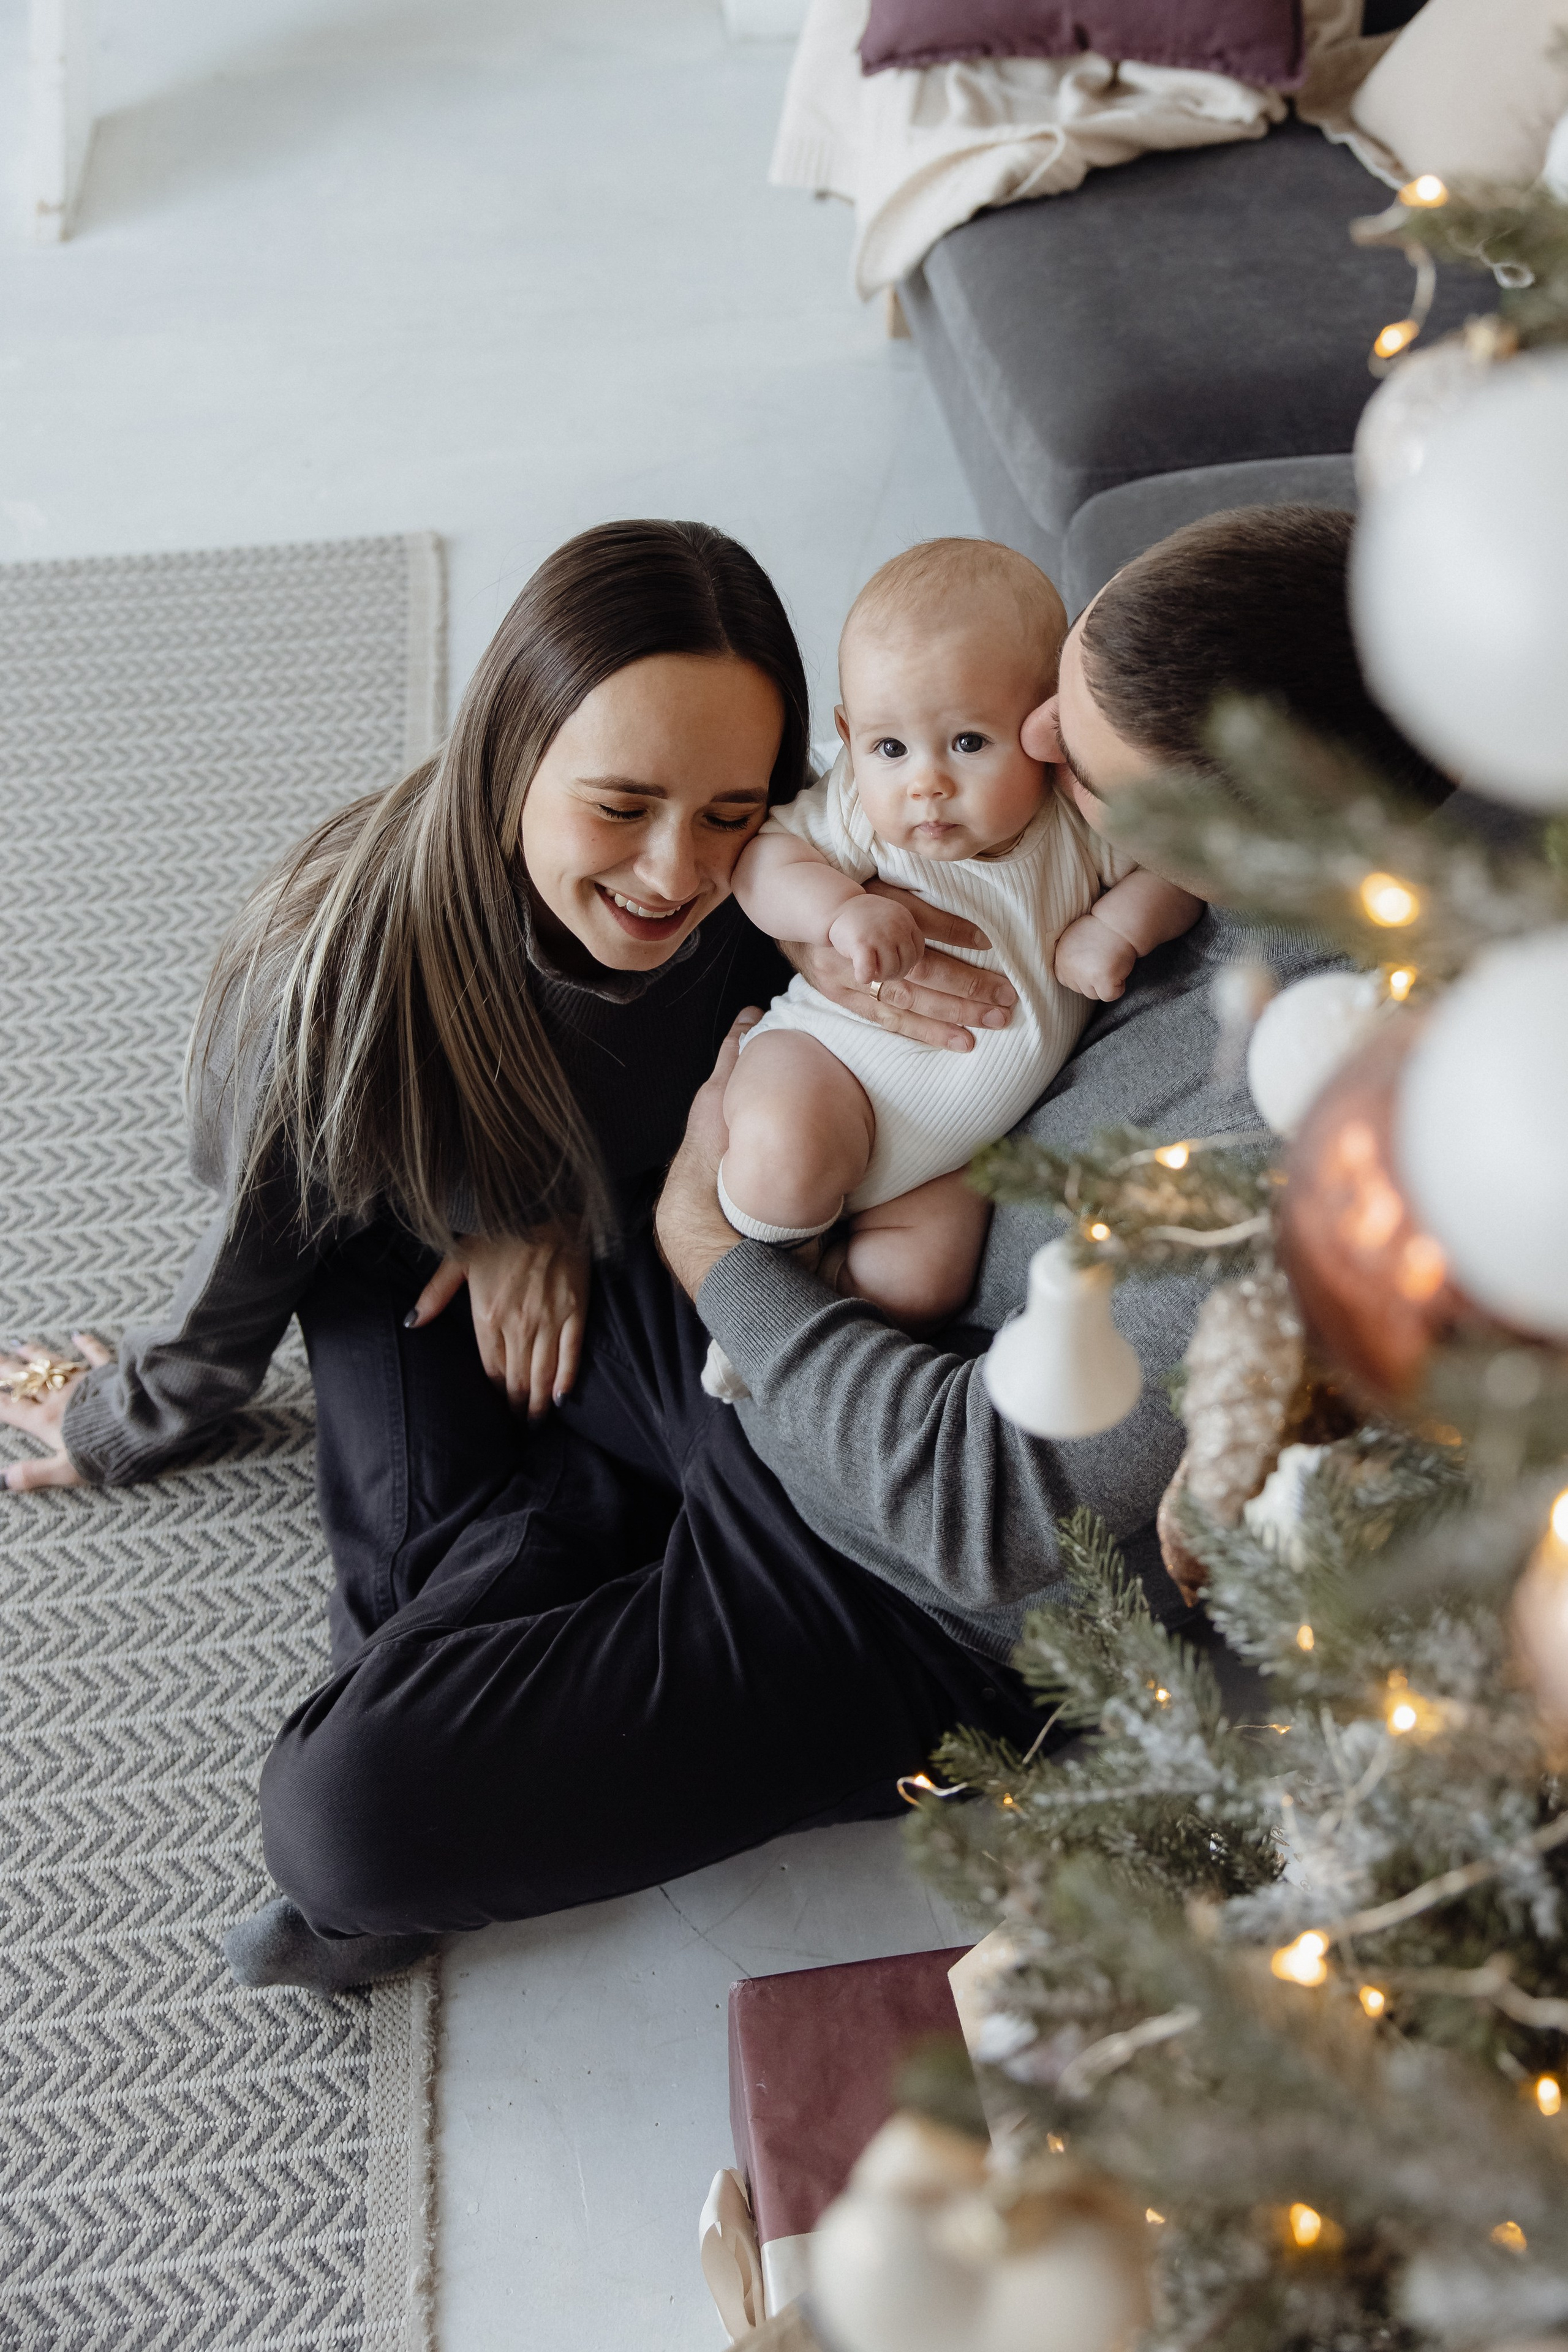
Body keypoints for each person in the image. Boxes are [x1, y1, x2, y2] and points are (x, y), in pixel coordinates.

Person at [231, 502, 1453, 1992]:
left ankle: (543, 1536)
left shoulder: (1308, 1135)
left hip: (896, 1584)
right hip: (785, 1322)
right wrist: (554, 1203)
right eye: (1043, 713)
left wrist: (706, 1256)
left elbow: (988, 1510)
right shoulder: (1113, 838)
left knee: (343, 1827)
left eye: (1081, 760)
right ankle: (552, 1528)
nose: (1034, 760)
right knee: (389, 1240)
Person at [714, 538, 1200, 1344]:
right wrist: (838, 912)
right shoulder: (854, 810)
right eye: (889, 748)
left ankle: (821, 1294)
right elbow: (761, 861)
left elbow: (1181, 872)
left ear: (1045, 729)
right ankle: (765, 1278)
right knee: (784, 1162)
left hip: (946, 1159)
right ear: (849, 735)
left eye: (969, 743)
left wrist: (1116, 924)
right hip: (831, 1062)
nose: (924, 782)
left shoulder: (1075, 830)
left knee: (921, 1287)